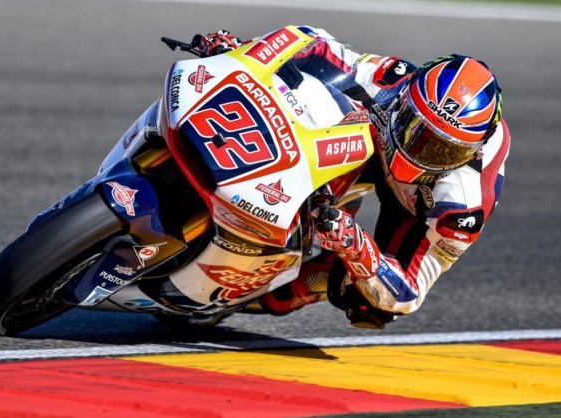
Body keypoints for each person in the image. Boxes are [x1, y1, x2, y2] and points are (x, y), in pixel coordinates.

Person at [192, 26, 511, 329]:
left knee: (370, 304)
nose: (418, 151)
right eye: (413, 128)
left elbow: (408, 293)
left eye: (442, 151)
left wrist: (358, 250)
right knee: (315, 97)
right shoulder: (391, 83)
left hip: (415, 207)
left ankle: (270, 288)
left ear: (472, 152)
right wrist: (245, 51)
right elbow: (314, 45)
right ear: (405, 100)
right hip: (378, 145)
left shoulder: (462, 208)